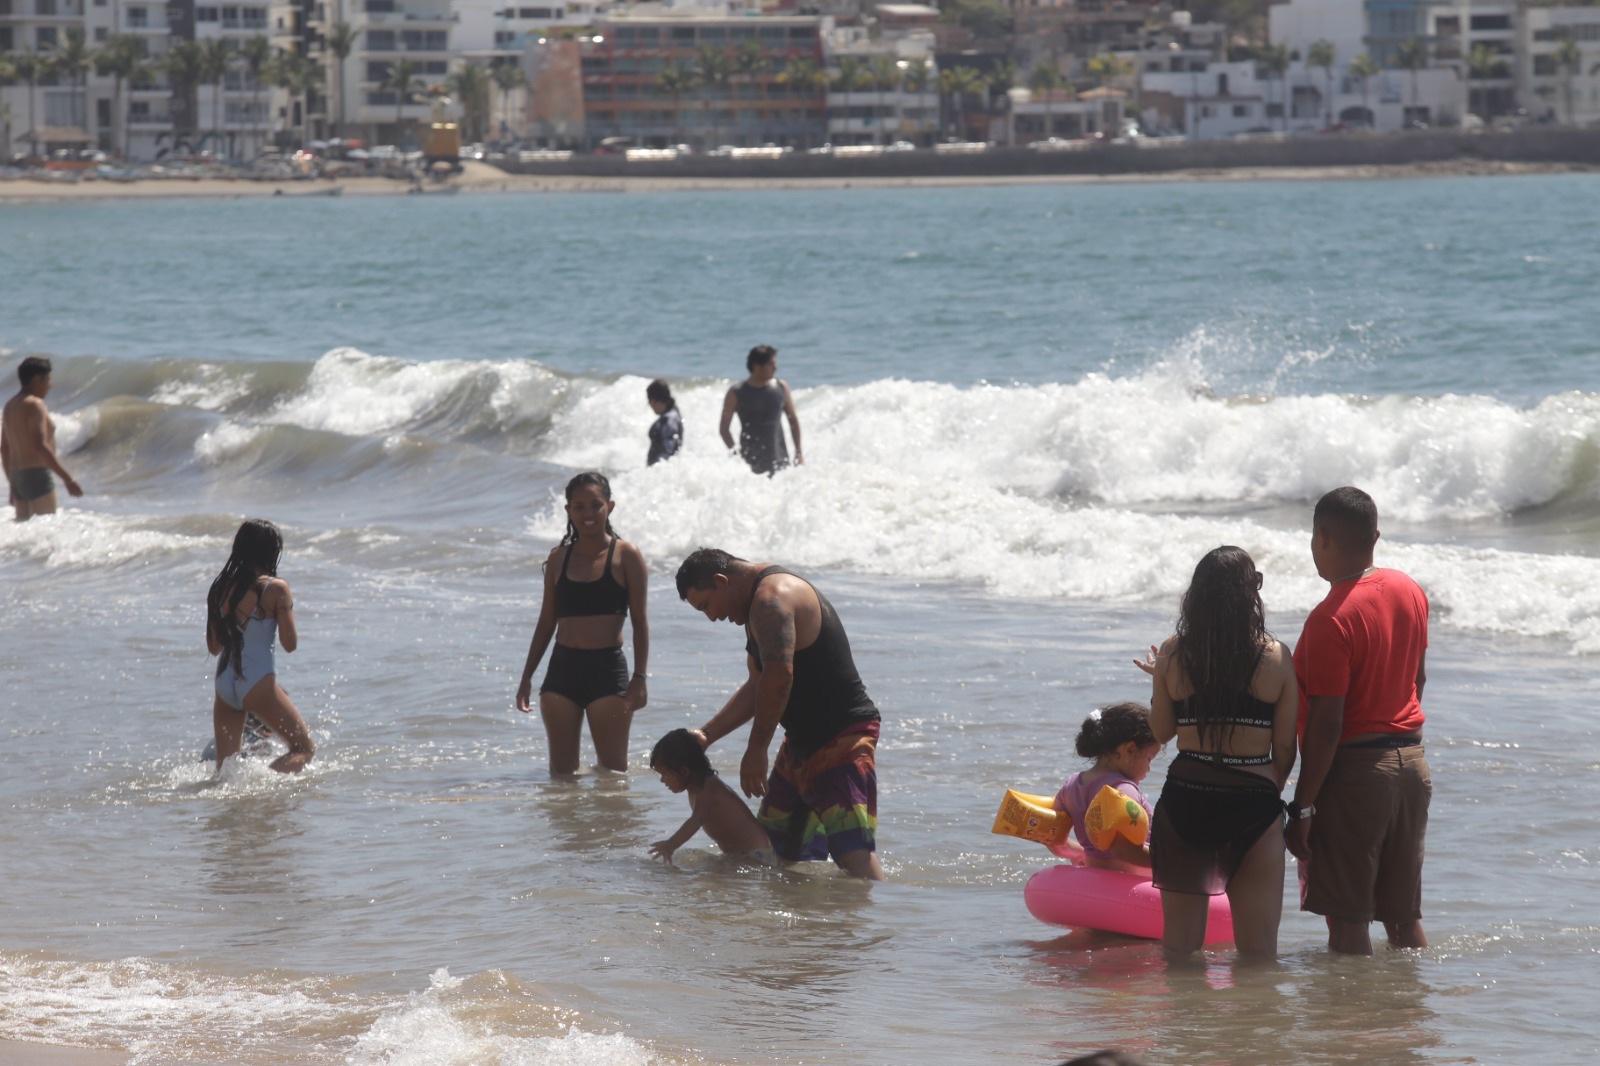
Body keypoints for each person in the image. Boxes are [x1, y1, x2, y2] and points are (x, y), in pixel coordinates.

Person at [674, 548, 882, 879]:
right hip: (802, 742)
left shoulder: (771, 600)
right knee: (780, 852)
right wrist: (706, 735)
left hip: (841, 737)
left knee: (852, 852)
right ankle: (803, 928)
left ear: (720, 581)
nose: (712, 618)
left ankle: (878, 926)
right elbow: (759, 685)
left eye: (706, 606)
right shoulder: (755, 605)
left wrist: (756, 749)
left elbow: (779, 677)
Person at [1287, 487, 1430, 956]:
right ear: (1376, 536)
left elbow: (1327, 725)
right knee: (1403, 919)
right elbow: (1418, 679)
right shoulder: (1410, 590)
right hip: (1411, 763)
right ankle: (1411, 1017)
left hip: (1356, 774)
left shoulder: (1332, 619)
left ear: (1321, 538)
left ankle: (1350, 1027)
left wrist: (1302, 807)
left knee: (1347, 925)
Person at [1143, 546, 1298, 959]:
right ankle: (1251, 1025)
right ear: (1253, 592)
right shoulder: (1277, 657)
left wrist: (1160, 680)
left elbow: (1160, 732)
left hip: (1186, 799)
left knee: (1179, 952)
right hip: (1252, 804)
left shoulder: (1173, 653)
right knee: (1258, 954)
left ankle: (1186, 1026)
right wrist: (1268, 788)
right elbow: (1285, 747)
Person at [515, 472, 650, 774]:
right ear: (568, 511)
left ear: (609, 507)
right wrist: (527, 676)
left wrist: (640, 678)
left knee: (613, 776)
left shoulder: (626, 555)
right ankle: (569, 824)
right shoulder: (558, 559)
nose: (588, 514)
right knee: (561, 779)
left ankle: (612, 824)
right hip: (562, 672)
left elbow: (640, 623)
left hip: (607, 671)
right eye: (579, 507)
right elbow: (546, 622)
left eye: (595, 505)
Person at [206, 519, 316, 774]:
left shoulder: (220, 588)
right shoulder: (276, 589)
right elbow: (290, 644)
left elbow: (214, 647)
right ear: (271, 552)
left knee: (226, 771)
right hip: (256, 683)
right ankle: (264, 790)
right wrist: (286, 608)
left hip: (224, 684)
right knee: (303, 749)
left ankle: (234, 810)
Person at [1052, 702, 1159, 873]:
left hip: (1095, 876)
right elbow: (1124, 851)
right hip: (1131, 882)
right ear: (1129, 750)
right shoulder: (1122, 790)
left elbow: (1052, 838)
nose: (1149, 768)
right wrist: (1175, 863)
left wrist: (1080, 853)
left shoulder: (1072, 785)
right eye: (1149, 758)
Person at [648, 728, 779, 866]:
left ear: (684, 771)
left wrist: (671, 844)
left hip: (754, 856)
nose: (662, 780)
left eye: (664, 774)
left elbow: (695, 822)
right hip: (742, 854)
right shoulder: (697, 785)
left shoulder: (708, 790)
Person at [2, 356, 83, 521]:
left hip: (17, 476)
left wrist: (12, 484)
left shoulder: (10, 406)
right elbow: (40, 445)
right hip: (37, 475)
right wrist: (68, 479)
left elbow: (4, 448)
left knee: (26, 533)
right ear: (36, 380)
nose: (50, 385)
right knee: (48, 531)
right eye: (47, 380)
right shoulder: (35, 404)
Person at [718, 345, 802, 475]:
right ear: (757, 366)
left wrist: (798, 452)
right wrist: (735, 454)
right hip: (749, 465)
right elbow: (724, 429)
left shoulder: (781, 387)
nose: (775, 367)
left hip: (780, 462)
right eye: (771, 364)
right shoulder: (736, 392)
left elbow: (793, 420)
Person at [646, 379, 683, 465]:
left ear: (653, 401)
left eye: (649, 402)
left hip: (658, 472)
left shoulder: (668, 420)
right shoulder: (675, 413)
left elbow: (668, 450)